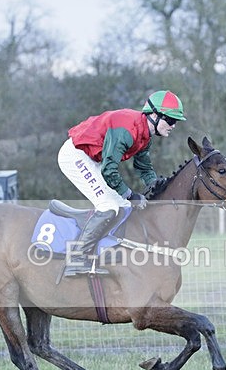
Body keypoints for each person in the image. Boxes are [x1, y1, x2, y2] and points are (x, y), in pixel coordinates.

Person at [57, 90, 186, 277]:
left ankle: (107, 253)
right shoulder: (127, 131)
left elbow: (144, 167)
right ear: (155, 115)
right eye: (171, 120)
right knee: (109, 206)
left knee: (124, 207)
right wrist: (130, 193)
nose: (173, 126)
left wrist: (157, 185)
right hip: (75, 155)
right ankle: (77, 259)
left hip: (94, 159)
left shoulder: (145, 134)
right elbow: (109, 170)